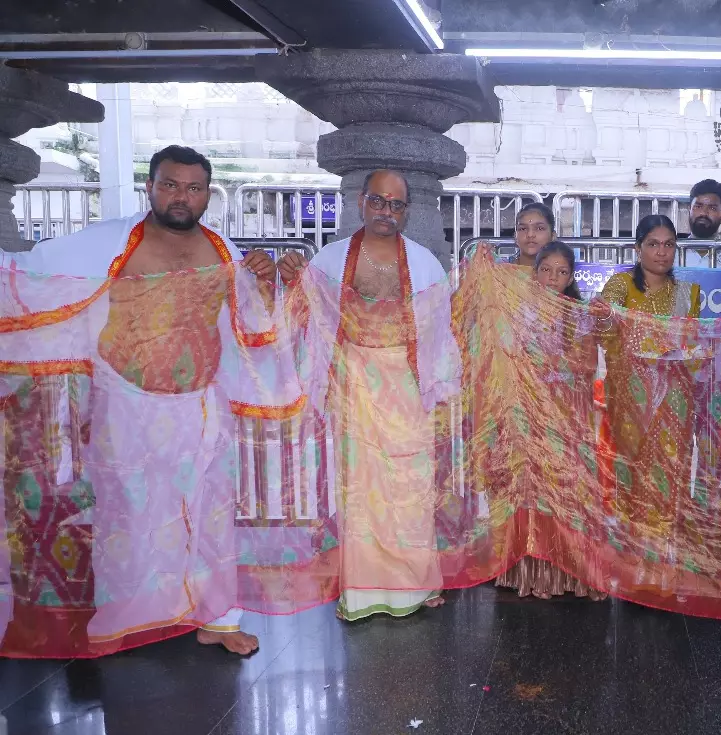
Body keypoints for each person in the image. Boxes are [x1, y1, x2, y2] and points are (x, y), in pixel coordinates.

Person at [0, 145, 299, 657]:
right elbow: (30, 273)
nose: (181, 197)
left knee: (211, 516)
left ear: (208, 194)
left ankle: (218, 619)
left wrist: (279, 283)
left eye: (194, 187)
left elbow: (255, 323)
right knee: (130, 517)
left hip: (203, 403)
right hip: (129, 401)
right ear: (151, 187)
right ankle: (135, 621)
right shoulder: (108, 245)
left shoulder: (223, 250)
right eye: (170, 185)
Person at [277, 169, 461, 623]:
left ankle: (416, 582)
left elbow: (440, 333)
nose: (386, 212)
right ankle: (362, 590)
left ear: (406, 211)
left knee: (413, 484)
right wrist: (287, 281)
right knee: (360, 488)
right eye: (378, 201)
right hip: (354, 381)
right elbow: (304, 319)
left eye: (395, 204)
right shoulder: (330, 260)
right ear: (361, 202)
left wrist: (441, 387)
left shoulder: (424, 264)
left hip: (408, 383)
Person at [493, 241, 606, 600]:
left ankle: (572, 570)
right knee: (533, 488)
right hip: (530, 412)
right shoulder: (519, 312)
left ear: (572, 276)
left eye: (562, 271)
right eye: (546, 269)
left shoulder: (581, 313)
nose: (554, 277)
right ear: (535, 271)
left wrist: (552, 360)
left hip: (569, 413)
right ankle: (533, 572)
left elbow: (588, 366)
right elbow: (510, 360)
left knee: (571, 489)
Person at [595, 215, 701, 597]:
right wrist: (605, 317)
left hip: (673, 397)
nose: (662, 251)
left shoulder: (687, 293)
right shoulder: (622, 285)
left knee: (669, 477)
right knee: (634, 475)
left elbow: (690, 343)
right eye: (653, 244)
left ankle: (664, 567)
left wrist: (694, 354)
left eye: (669, 244)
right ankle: (635, 565)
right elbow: (605, 331)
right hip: (632, 397)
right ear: (638, 248)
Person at [682, 178, 721, 270]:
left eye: (712, 208)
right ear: (689, 209)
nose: (703, 213)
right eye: (698, 206)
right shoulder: (673, 255)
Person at [511, 202, 557, 270]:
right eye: (523, 229)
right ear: (515, 236)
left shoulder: (561, 274)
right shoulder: (498, 272)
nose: (530, 235)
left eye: (539, 228)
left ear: (553, 236)